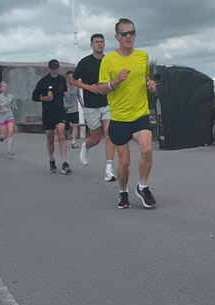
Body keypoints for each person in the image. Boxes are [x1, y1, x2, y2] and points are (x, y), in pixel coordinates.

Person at [91, 20, 157, 209]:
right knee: (124, 162)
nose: (129, 36)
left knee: (146, 149)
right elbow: (101, 89)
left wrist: (150, 84)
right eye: (124, 33)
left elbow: (144, 77)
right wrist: (116, 81)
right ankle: (123, 191)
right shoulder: (108, 60)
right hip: (119, 118)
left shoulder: (142, 56)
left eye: (132, 33)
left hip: (140, 115)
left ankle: (143, 187)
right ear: (117, 37)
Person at [68, 33, 117, 181]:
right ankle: (86, 146)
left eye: (102, 42)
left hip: (107, 103)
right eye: (97, 42)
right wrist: (88, 88)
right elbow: (73, 81)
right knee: (96, 138)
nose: (99, 44)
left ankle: (109, 169)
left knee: (109, 134)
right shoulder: (85, 62)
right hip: (91, 105)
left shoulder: (109, 61)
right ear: (91, 45)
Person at [32, 59, 71, 174]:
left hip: (60, 111)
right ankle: (51, 160)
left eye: (57, 68)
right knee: (50, 138)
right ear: (49, 69)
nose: (55, 70)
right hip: (48, 113)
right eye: (53, 68)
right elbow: (34, 97)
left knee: (61, 134)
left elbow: (64, 89)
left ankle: (65, 162)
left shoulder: (62, 79)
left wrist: (65, 93)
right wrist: (44, 98)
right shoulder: (43, 82)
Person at [0, 81, 17, 156]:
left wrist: (14, 107)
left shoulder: (11, 97)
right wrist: (0, 111)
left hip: (9, 116)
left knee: (11, 131)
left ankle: (10, 149)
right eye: (3, 87)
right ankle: (2, 137)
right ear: (1, 88)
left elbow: (12, 104)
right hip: (2, 117)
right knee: (5, 135)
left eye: (6, 86)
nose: (5, 88)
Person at [64, 71, 81, 148]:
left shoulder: (76, 86)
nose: (71, 79)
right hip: (65, 110)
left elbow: (79, 96)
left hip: (74, 109)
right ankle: (62, 140)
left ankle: (73, 142)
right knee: (65, 128)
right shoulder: (64, 87)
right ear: (67, 78)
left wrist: (83, 105)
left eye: (72, 77)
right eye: (69, 77)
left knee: (75, 125)